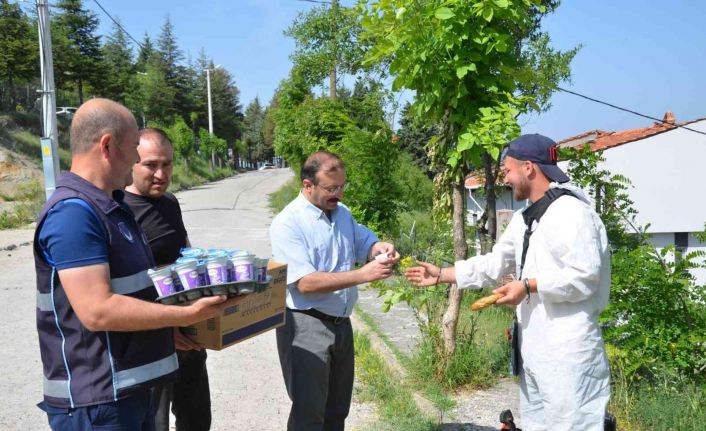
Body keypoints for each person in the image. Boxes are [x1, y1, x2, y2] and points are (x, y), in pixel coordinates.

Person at [34, 99, 239, 431]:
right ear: (107, 146)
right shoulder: (73, 214)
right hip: (100, 403)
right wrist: (187, 315)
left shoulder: (111, 208)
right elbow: (97, 311)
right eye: (133, 149)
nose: (134, 159)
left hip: (129, 392)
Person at [405, 134, 611, 431]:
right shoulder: (525, 218)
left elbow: (585, 276)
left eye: (508, 170)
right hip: (535, 352)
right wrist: (441, 274)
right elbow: (494, 263)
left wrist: (527, 286)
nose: (506, 178)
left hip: (569, 356)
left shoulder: (571, 213)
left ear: (529, 168)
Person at [270, 150, 400, 431]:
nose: (338, 194)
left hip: (341, 325)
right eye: (331, 189)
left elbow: (363, 240)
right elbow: (305, 282)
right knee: (309, 413)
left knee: (337, 411)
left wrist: (378, 248)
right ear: (307, 185)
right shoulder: (287, 223)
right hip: (306, 325)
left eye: (342, 187)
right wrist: (362, 275)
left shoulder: (342, 214)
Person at [123, 128, 212, 431]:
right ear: (131, 163)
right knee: (155, 422)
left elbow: (183, 255)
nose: (161, 174)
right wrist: (164, 327)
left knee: (196, 419)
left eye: (168, 164)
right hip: (151, 340)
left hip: (189, 334)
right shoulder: (117, 209)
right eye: (151, 165)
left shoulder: (170, 202)